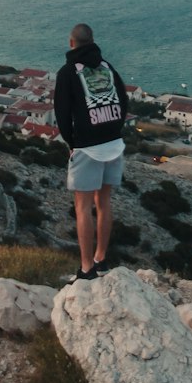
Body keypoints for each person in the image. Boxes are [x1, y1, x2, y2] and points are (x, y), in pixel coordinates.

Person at [54, 22, 129, 281]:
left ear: (71, 42)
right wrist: (113, 130)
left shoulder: (67, 73)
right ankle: (101, 259)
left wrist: (72, 143)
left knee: (83, 207)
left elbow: (62, 114)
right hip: (114, 144)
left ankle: (86, 269)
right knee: (104, 203)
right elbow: (124, 100)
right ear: (93, 40)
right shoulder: (108, 67)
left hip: (87, 147)